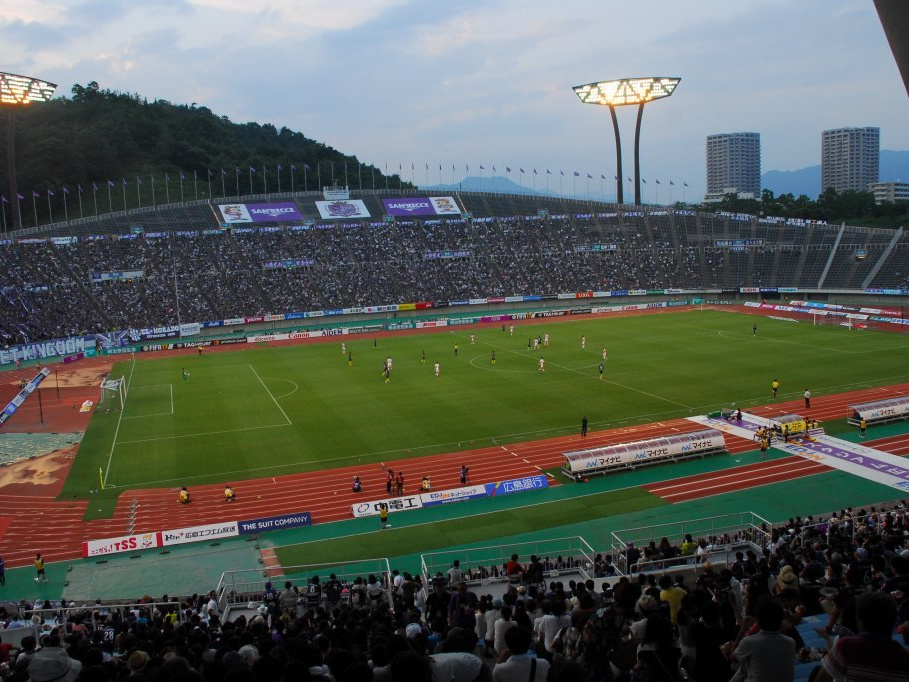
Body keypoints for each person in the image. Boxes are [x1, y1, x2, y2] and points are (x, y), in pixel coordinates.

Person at [816, 589, 909, 682]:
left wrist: (828, 639)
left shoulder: (847, 646)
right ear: (893, 621)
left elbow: (821, 679)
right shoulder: (905, 659)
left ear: (859, 621)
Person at [726, 599, 795, 682]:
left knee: (739, 666)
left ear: (757, 621)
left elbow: (732, 658)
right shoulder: (790, 642)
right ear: (781, 621)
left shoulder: (749, 642)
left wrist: (742, 631)